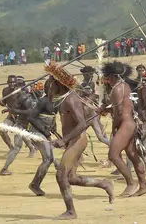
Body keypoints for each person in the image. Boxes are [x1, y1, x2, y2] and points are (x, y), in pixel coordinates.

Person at [46, 65, 113, 219]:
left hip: (77, 140)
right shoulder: (63, 97)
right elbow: (49, 96)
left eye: (52, 83)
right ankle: (103, 183)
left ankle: (71, 211)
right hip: (72, 140)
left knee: (61, 175)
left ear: (60, 84)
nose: (50, 86)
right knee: (71, 178)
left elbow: (82, 124)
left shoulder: (71, 99)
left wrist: (64, 139)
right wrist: (52, 79)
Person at [102, 61, 146, 197]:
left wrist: (114, 127)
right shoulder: (125, 86)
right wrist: (105, 109)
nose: (107, 80)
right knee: (133, 155)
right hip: (130, 122)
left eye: (108, 77)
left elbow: (120, 112)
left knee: (113, 155)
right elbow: (122, 107)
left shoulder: (116, 89)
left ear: (112, 76)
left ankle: (130, 183)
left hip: (125, 123)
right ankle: (143, 185)